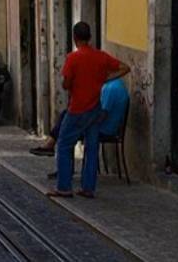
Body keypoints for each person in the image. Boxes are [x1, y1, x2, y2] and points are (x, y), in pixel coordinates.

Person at [47, 22, 129, 199]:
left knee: (63, 144)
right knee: (91, 149)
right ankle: (88, 188)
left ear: (75, 38)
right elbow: (125, 67)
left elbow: (66, 83)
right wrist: (105, 79)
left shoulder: (73, 58)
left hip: (77, 109)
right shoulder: (100, 57)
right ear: (90, 37)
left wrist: (69, 84)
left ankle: (64, 187)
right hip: (95, 110)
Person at [30, 78, 130, 157]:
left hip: (104, 130)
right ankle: (51, 145)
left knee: (67, 132)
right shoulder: (116, 85)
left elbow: (102, 115)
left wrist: (84, 121)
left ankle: (63, 167)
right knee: (66, 116)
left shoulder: (111, 88)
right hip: (106, 127)